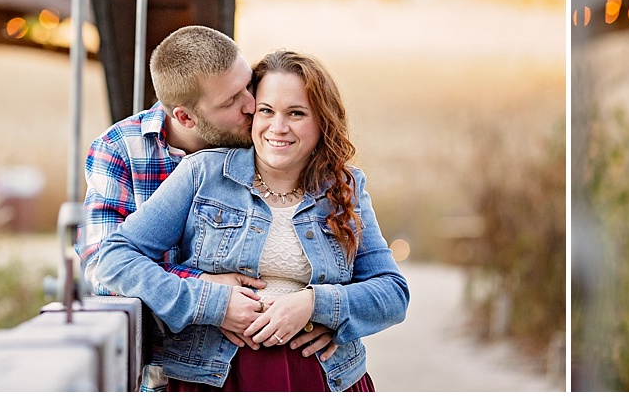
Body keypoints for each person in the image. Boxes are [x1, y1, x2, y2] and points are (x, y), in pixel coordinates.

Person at [85, 49, 409, 391]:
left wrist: (315, 305)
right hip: (217, 378)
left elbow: (392, 292)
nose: (278, 127)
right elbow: (114, 258)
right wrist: (212, 303)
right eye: (266, 110)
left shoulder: (345, 187)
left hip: (323, 378)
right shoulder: (203, 174)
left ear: (322, 121)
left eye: (296, 113)